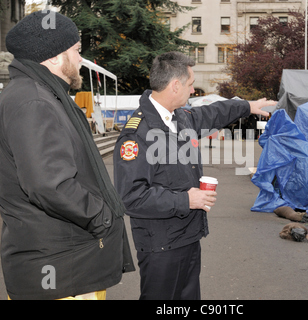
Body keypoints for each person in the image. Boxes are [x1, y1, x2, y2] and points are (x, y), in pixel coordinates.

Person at [0, 10, 134, 300]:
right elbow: (49, 185)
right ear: (55, 57)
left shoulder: (38, 94)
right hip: (62, 272)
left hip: (63, 264)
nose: (80, 59)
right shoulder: (34, 101)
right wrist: (102, 217)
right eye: (77, 51)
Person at [113, 51, 276, 300]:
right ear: (175, 85)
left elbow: (213, 113)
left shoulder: (180, 118)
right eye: (190, 85)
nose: (193, 91)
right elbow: (131, 197)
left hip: (187, 236)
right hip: (160, 245)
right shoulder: (137, 134)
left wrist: (248, 107)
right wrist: (186, 200)